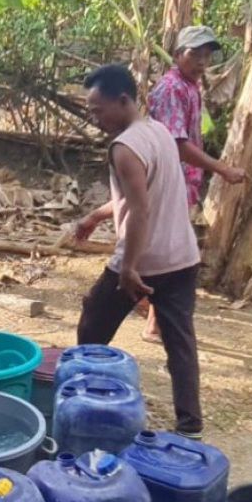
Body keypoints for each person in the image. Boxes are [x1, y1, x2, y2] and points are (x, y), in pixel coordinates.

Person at [73, 64, 204, 439]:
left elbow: (141, 210)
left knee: (92, 326)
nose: (94, 119)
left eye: (98, 110)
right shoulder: (158, 132)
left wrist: (129, 267)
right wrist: (96, 215)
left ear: (123, 100)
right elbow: (142, 196)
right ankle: (191, 426)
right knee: (181, 344)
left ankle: (86, 399)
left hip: (143, 260)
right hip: (182, 257)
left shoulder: (124, 147)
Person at [142, 25, 246, 342]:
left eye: (206, 55)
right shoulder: (173, 88)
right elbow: (177, 143)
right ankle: (154, 323)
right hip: (168, 184)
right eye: (194, 54)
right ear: (177, 55)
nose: (202, 61)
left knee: (164, 252)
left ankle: (151, 314)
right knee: (169, 255)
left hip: (180, 185)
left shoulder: (189, 88)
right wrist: (222, 169)